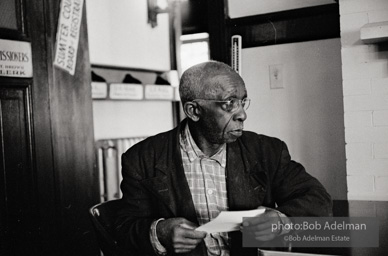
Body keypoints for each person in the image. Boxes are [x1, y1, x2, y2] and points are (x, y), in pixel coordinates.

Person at [114, 61, 332, 256]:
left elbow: (317, 199)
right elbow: (123, 227)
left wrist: (280, 220)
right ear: (194, 111)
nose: (242, 114)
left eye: (242, 101)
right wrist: (159, 232)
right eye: (229, 103)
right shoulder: (142, 158)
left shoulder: (266, 151)